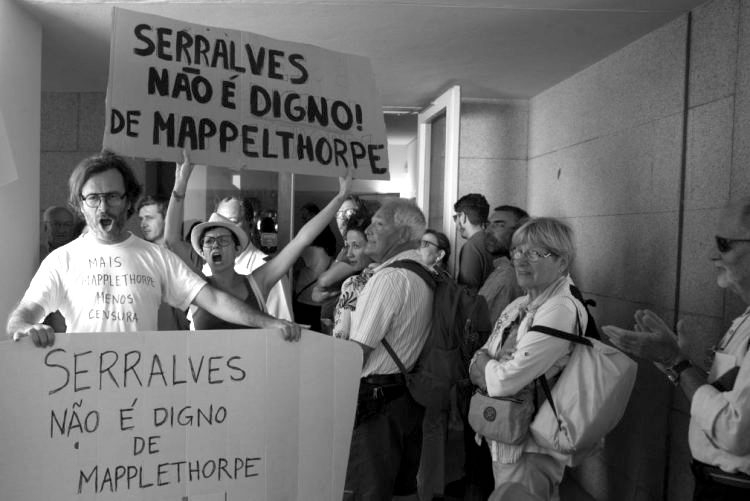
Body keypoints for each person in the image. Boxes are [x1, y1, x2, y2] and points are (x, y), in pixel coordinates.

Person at [6, 151, 300, 346]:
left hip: (144, 394)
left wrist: (270, 323)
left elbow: (214, 300)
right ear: (80, 205)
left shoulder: (155, 257)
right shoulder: (62, 260)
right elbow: (27, 310)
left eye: (112, 196)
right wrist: (23, 327)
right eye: (92, 198)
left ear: (128, 200)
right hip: (84, 394)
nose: (103, 206)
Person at [603, 199, 750, 500]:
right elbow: (725, 395)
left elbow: (734, 431)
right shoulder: (745, 318)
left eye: (723, 244)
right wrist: (674, 364)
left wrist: (678, 362)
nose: (712, 256)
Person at [469, 217, 586, 500]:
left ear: (562, 262)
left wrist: (486, 361)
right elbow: (473, 364)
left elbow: (502, 382)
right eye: (518, 251)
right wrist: (487, 362)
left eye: (535, 253)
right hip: (504, 433)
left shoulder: (560, 309)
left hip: (531, 446)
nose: (521, 260)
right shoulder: (519, 305)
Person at [344, 199, 433, 501]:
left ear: (403, 233)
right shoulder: (422, 272)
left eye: (379, 224)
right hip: (406, 398)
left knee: (367, 491)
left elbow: (355, 354)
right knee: (401, 490)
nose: (368, 229)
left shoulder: (390, 278)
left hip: (377, 404)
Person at [186, 175, 353, 331]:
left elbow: (302, 240)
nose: (215, 245)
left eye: (224, 238)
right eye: (208, 241)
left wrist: (340, 197)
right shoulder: (199, 277)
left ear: (238, 240)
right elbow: (170, 240)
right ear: (202, 250)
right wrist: (180, 185)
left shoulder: (260, 274)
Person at [165, 154, 293, 321]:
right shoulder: (206, 265)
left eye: (232, 222)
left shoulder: (266, 270)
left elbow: (283, 328)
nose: (223, 231)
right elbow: (171, 240)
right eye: (217, 225)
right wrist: (180, 185)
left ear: (250, 224)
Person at [415, 228, 452, 501]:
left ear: (439, 255)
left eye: (426, 244)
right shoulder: (416, 276)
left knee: (431, 430)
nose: (419, 247)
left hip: (433, 366)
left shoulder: (441, 282)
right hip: (422, 366)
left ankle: (428, 493)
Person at [313, 195, 374, 333]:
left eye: (348, 212)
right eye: (339, 213)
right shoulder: (345, 249)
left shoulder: (362, 248)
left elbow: (324, 280)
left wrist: (321, 287)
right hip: (334, 324)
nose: (343, 218)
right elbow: (317, 292)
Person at [480, 205, 529, 324]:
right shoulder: (502, 269)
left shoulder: (508, 276)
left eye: (499, 225)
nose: (488, 230)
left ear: (519, 231)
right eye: (488, 224)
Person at [293, 202, 337, 331]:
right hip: (319, 301)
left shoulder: (310, 250)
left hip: (304, 300)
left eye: (306, 217)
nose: (304, 221)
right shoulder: (328, 248)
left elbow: (292, 268)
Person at [331, 211, 375, 340]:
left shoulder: (354, 285)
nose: (349, 254)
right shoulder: (396, 273)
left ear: (374, 244)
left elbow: (340, 336)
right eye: (347, 246)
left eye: (356, 246)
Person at [454, 193, 494, 292]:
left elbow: (467, 293)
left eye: (456, 217)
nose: (456, 223)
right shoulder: (494, 241)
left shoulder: (471, 247)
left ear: (462, 216)